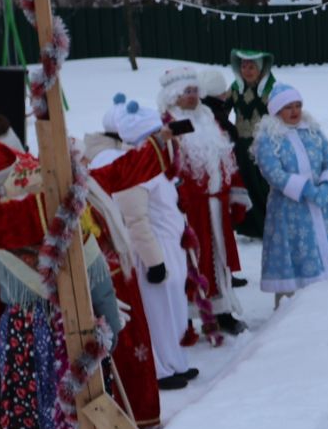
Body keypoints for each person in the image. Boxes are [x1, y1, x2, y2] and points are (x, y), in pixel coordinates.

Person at [0, 139, 169, 429]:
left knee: (28, 406)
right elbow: (100, 285)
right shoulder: (75, 232)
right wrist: (111, 333)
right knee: (77, 400)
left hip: (21, 337)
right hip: (71, 330)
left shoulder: (0, 240)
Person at [100, 99, 192, 389]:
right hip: (155, 251)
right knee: (159, 312)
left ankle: (176, 361)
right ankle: (161, 369)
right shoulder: (134, 171)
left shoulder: (154, 168)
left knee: (174, 309)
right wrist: (154, 262)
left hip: (170, 246)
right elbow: (136, 221)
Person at [159, 65, 250, 335]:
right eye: (186, 92)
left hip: (216, 206)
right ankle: (186, 318)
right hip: (188, 209)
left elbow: (227, 158)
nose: (192, 96)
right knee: (189, 261)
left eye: (195, 91)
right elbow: (165, 168)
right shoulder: (167, 125)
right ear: (173, 94)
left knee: (219, 259)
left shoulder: (208, 118)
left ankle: (222, 312)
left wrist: (236, 196)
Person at [254, 85, 328, 299]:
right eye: (288, 107)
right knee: (299, 254)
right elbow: (272, 172)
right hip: (289, 211)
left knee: (323, 250)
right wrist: (304, 189)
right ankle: (293, 305)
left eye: (297, 105)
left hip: (321, 206)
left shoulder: (312, 131)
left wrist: (327, 185)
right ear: (276, 110)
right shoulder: (268, 138)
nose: (295, 111)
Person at [226, 50, 276, 238]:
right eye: (244, 66)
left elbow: (282, 114)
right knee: (246, 185)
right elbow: (221, 109)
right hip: (241, 147)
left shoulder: (271, 89)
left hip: (264, 146)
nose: (247, 70)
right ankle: (251, 228)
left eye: (252, 66)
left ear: (260, 68)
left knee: (264, 186)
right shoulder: (235, 88)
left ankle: (270, 226)